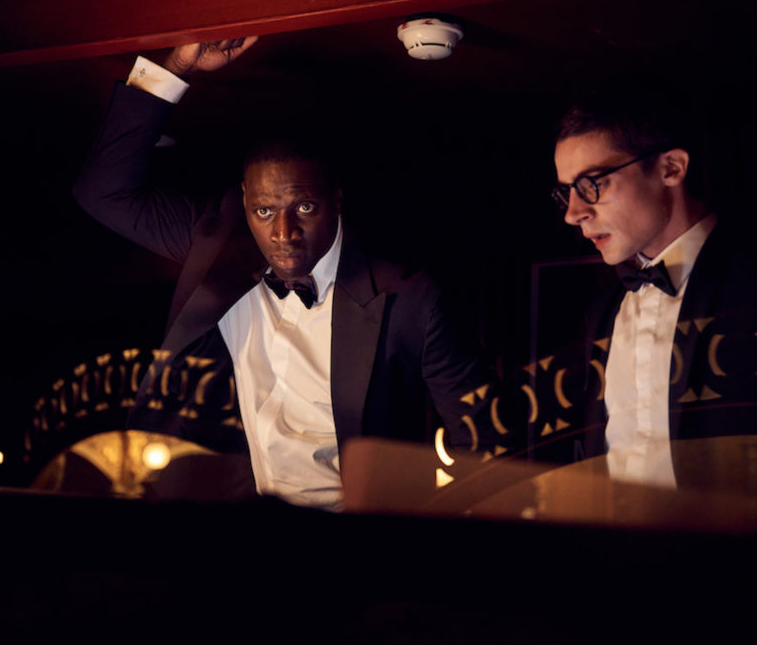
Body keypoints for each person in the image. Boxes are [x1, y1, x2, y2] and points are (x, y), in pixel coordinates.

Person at [73, 39, 514, 510]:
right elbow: (101, 192)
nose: (283, 233)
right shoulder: (214, 240)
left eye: (303, 208)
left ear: (335, 201)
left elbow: (486, 437)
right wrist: (175, 68)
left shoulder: (411, 299)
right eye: (264, 211)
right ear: (245, 201)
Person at [552, 84, 757, 487]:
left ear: (671, 168)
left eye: (593, 183)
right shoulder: (603, 307)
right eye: (566, 191)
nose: (573, 213)